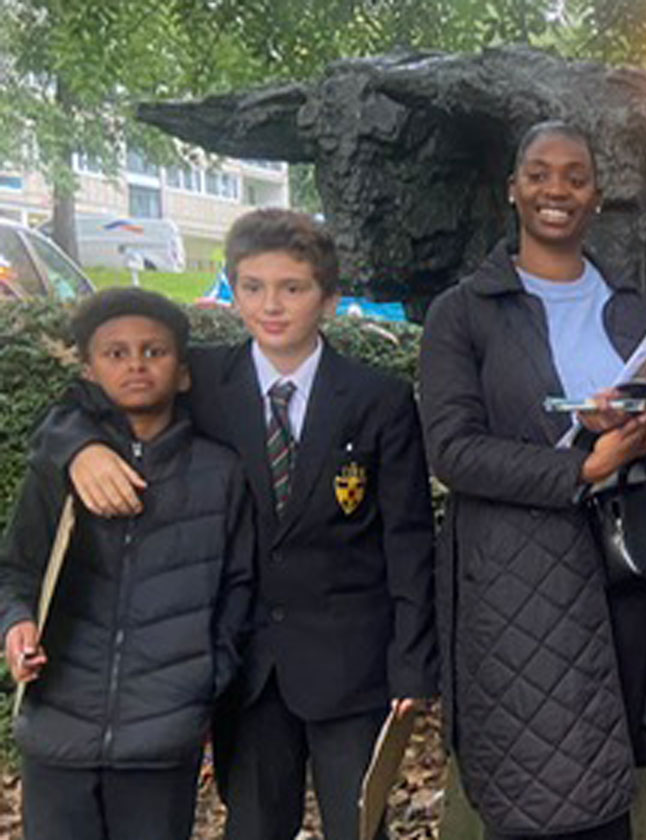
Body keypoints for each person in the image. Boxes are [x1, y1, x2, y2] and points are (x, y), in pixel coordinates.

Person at [39, 209, 438, 840]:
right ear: (232, 290)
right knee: (253, 826)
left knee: (360, 825)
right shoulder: (202, 380)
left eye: (292, 288)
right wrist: (79, 449)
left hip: (353, 664)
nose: (270, 306)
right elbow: (85, 403)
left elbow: (409, 540)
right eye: (252, 287)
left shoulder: (377, 398)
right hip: (243, 664)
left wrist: (413, 664)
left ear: (329, 299)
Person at [418, 121, 646, 840]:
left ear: (597, 197)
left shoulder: (633, 308)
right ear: (512, 190)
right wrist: (582, 465)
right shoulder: (465, 312)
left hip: (627, 568)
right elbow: (453, 452)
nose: (558, 189)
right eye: (540, 173)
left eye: (575, 177)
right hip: (519, 576)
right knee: (540, 788)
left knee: (606, 777)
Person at [1, 289, 254, 840]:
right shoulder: (60, 468)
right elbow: (15, 570)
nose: (136, 364)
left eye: (154, 351)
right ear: (89, 372)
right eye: (115, 353)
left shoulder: (221, 474)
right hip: (57, 732)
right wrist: (15, 623)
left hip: (163, 739)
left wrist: (206, 679)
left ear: (183, 373)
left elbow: (239, 589)